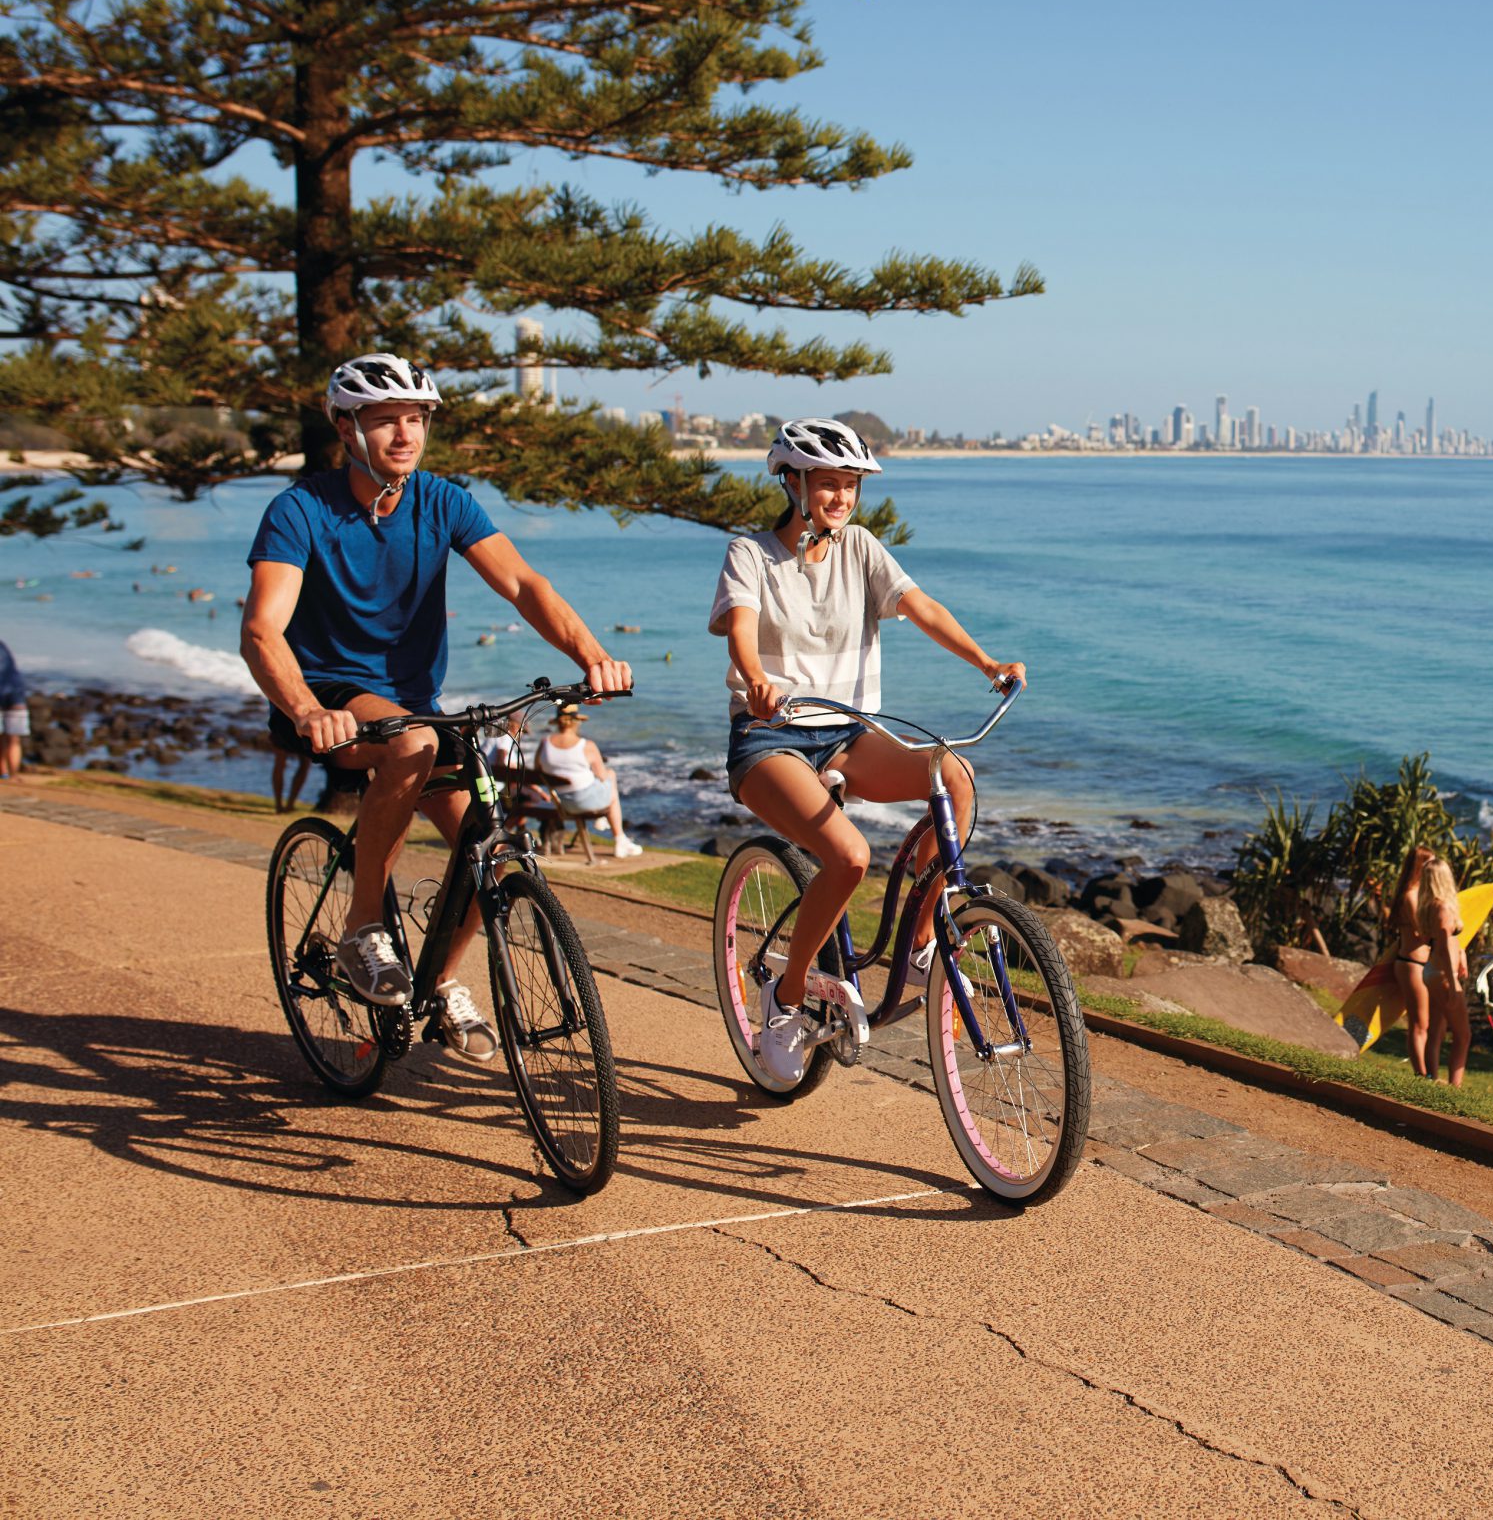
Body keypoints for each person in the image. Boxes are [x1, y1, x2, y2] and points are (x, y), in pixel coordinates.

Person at [240, 353, 633, 1062]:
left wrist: (591, 654)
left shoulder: (441, 501)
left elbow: (522, 584)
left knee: (489, 850)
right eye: (385, 419)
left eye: (415, 418)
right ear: (345, 425)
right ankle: (364, 928)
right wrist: (303, 707)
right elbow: (262, 629)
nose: (404, 433)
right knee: (415, 745)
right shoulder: (299, 509)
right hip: (326, 692)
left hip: (412, 706)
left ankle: (442, 984)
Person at [710, 417, 1023, 1085]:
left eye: (850, 485)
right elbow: (740, 629)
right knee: (849, 856)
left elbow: (921, 606)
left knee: (956, 778)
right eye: (828, 483)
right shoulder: (750, 554)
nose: (841, 498)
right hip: (769, 739)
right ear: (792, 483)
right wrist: (757, 679)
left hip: (847, 734)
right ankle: (787, 997)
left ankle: (917, 947)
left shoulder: (860, 548)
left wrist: (986, 661)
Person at [1391, 846, 1470, 1085]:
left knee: (1434, 1028)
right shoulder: (1422, 901)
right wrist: (1453, 976)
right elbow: (1439, 941)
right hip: (1422, 965)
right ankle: (1432, 1080)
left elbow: (1437, 939)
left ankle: (1430, 1079)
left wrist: (1461, 951)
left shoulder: (1424, 902)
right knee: (1441, 1030)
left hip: (1428, 968)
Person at [532, 706, 644, 858]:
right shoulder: (586, 745)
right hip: (586, 802)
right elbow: (603, 776)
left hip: (561, 802)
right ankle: (619, 839)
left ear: (557, 722)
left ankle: (606, 822)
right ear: (577, 722)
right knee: (611, 776)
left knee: (601, 784)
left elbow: (537, 769)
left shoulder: (545, 743)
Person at [0, 637, 27, 780]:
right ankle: (13, 774)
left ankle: (4, 773)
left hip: (8, 693)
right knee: (13, 738)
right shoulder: (3, 647)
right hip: (16, 694)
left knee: (6, 737)